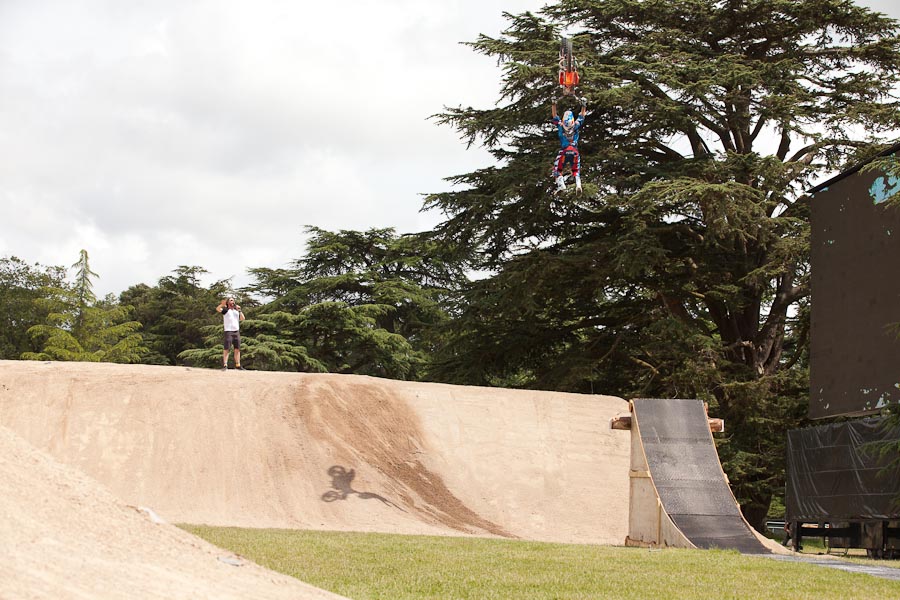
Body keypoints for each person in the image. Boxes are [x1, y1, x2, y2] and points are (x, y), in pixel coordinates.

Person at [551, 96, 587, 193]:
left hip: (564, 151)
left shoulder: (561, 126)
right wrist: (584, 105)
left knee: (557, 169)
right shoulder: (575, 125)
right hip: (575, 152)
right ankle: (578, 184)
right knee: (576, 170)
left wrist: (553, 104)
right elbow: (582, 116)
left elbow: (554, 116)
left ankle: (561, 185)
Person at [216, 296, 245, 370]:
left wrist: (240, 310)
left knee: (237, 349)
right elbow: (218, 309)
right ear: (228, 302)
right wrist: (222, 305)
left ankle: (238, 364)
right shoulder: (226, 310)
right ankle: (225, 364)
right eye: (231, 300)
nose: (233, 302)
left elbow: (242, 319)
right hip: (228, 331)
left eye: (233, 300)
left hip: (236, 331)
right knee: (227, 348)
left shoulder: (236, 311)